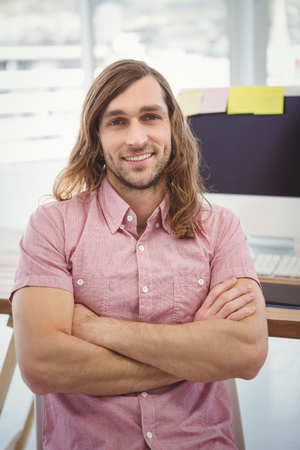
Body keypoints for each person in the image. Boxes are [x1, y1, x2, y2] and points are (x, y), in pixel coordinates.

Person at [11, 59, 268, 449]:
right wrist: (192, 354)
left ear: (172, 128)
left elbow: (245, 353)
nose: (136, 138)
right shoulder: (53, 226)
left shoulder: (220, 228)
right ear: (95, 137)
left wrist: (97, 328)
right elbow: (42, 365)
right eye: (116, 121)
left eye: (150, 116)